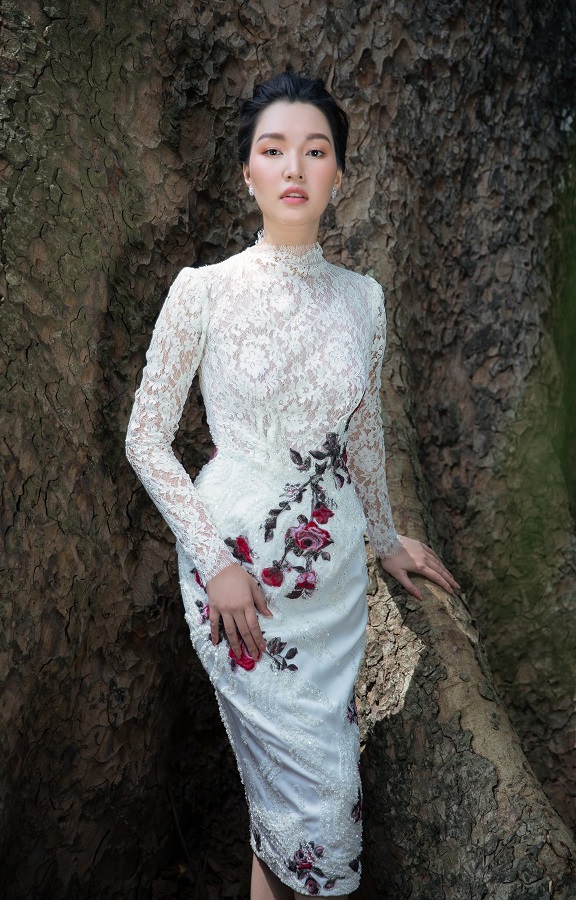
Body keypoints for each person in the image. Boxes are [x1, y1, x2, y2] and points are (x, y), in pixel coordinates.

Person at [125, 72, 458, 900]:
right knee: (319, 805)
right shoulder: (202, 291)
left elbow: (363, 436)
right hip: (240, 584)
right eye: (274, 150)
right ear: (248, 171)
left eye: (316, 151)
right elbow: (145, 439)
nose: (295, 167)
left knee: (303, 802)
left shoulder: (364, 300)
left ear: (338, 172)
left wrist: (386, 538)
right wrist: (215, 563)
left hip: (333, 593)